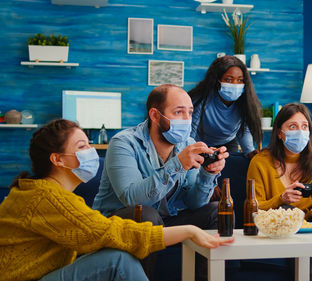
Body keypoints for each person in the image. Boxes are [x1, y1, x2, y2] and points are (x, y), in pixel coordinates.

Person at [0, 119, 233, 281]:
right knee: (117, 260)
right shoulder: (45, 197)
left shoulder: (47, 193)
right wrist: (188, 231)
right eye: (82, 146)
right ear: (57, 159)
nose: (91, 152)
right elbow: (108, 231)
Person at [92, 84, 228, 279]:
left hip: (167, 219)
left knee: (215, 210)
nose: (187, 120)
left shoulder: (188, 144)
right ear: (155, 116)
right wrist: (178, 164)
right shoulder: (123, 143)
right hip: (120, 221)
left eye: (189, 113)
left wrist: (207, 173)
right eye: (178, 112)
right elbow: (132, 199)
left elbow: (195, 203)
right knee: (147, 214)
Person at [246, 103, 312, 281]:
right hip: (279, 225)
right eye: (292, 127)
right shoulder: (260, 162)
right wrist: (281, 198)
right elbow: (253, 208)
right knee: (287, 210)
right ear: (279, 133)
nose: (300, 132)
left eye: (304, 126)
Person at [188, 55, 262, 158]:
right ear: (217, 80)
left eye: (240, 80)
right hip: (201, 143)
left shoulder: (244, 101)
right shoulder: (201, 99)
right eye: (228, 79)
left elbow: (244, 130)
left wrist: (249, 151)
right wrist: (191, 151)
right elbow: (190, 130)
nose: (235, 84)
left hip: (228, 144)